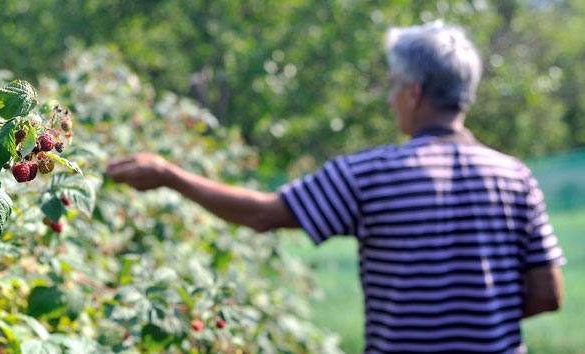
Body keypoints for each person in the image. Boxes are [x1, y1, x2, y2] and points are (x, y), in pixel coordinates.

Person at [106, 21, 564, 354]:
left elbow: (264, 213)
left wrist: (170, 175)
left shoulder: (372, 173)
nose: (390, 99)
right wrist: (476, 313)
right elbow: (548, 295)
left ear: (414, 92)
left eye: (393, 86)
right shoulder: (515, 178)